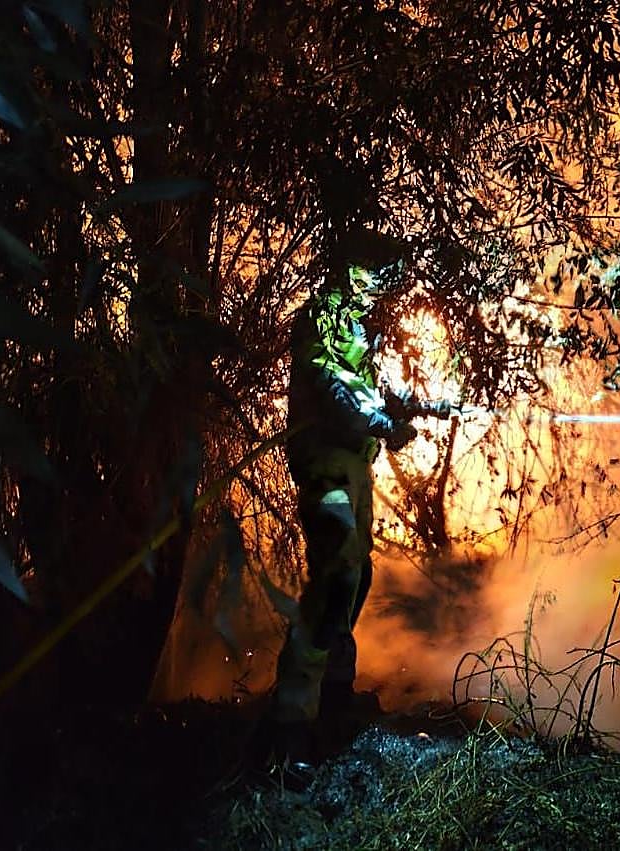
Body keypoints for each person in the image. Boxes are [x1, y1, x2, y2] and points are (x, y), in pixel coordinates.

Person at [255, 235, 450, 766]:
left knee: (357, 575)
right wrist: (380, 423)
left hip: (354, 465)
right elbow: (334, 385)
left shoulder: (360, 323)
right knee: (336, 577)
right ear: (353, 269)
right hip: (325, 465)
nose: (386, 284)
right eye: (378, 272)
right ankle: (291, 725)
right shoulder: (321, 317)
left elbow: (374, 387)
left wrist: (428, 406)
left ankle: (335, 701)